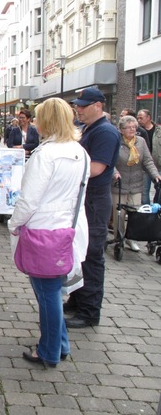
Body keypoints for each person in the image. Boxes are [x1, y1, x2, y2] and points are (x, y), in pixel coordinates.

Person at [8, 97, 90, 367]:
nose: (34, 122)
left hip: (42, 232)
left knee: (47, 295)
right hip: (66, 229)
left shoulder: (46, 154)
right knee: (51, 292)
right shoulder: (80, 152)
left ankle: (49, 351)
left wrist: (14, 223)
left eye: (38, 117)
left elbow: (29, 200)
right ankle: (60, 345)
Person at [64, 87, 120, 329]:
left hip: (95, 203)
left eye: (83, 106)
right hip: (85, 201)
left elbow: (96, 168)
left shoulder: (105, 132)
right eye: (78, 105)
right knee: (80, 253)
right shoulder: (90, 128)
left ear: (98, 105)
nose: (79, 109)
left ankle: (89, 311)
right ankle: (78, 300)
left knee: (92, 256)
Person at [111, 115, 161, 251]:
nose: (132, 130)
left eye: (134, 127)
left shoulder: (141, 141)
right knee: (119, 214)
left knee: (135, 213)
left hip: (136, 183)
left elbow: (148, 161)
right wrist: (114, 173)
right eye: (128, 127)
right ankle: (119, 238)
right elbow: (110, 161)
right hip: (119, 184)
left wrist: (156, 175)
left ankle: (131, 239)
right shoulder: (116, 141)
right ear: (121, 130)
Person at [136, 109, 160, 204]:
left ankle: (156, 212)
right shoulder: (138, 131)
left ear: (148, 117)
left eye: (141, 118)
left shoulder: (158, 131)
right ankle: (146, 213)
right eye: (137, 118)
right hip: (144, 166)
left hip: (158, 165)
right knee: (144, 191)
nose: (138, 120)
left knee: (159, 190)